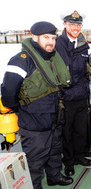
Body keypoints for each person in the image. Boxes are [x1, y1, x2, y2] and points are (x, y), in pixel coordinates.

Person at [1, 21, 73, 188]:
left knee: (55, 153)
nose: (51, 42)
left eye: (53, 38)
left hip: (54, 120)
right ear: (34, 37)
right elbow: (9, 94)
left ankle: (54, 177)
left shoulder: (53, 59)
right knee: (35, 163)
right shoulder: (21, 61)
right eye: (46, 37)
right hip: (34, 125)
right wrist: (24, 110)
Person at [56, 10, 91, 176]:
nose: (75, 27)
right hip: (65, 96)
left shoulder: (83, 43)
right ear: (65, 25)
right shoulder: (57, 44)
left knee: (81, 129)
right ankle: (69, 162)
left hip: (82, 94)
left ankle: (79, 156)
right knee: (67, 132)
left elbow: (86, 68)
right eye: (72, 24)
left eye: (78, 25)